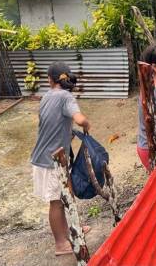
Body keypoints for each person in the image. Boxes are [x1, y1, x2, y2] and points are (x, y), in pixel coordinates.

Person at [29, 62, 91, 257]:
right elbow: (80, 119)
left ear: (50, 80)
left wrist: (67, 134)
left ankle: (73, 229)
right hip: (50, 161)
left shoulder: (47, 96)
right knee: (56, 202)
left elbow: (50, 122)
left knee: (65, 196)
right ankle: (60, 243)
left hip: (48, 156)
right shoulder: (66, 97)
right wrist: (86, 125)